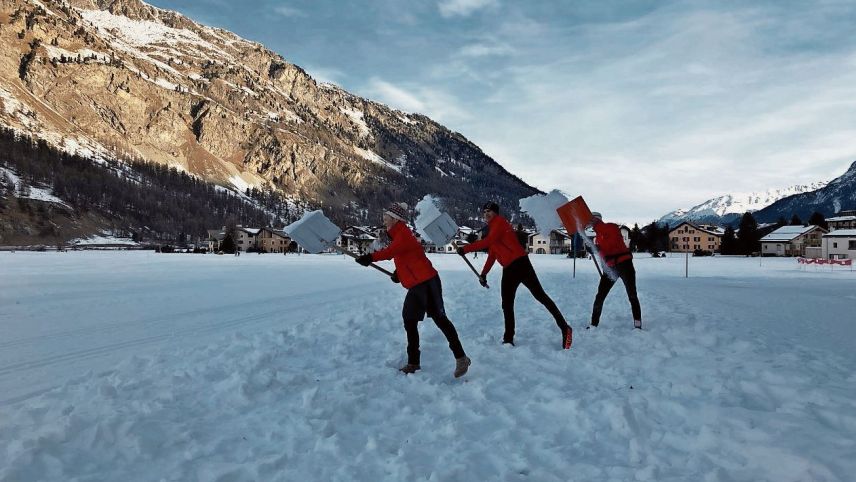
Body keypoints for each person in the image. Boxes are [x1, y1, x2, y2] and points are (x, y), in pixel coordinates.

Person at [356, 202, 471, 378]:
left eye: (386, 216)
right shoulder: (399, 234)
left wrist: (370, 257)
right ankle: (414, 362)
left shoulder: (402, 234)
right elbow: (405, 257)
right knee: (410, 319)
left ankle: (460, 357)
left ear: (395, 219)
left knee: (440, 319)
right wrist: (399, 274)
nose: (383, 219)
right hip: (418, 283)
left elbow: (391, 252)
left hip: (427, 282)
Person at [458, 202, 572, 349]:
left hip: (520, 264)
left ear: (496, 213)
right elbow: (492, 256)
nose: (486, 214)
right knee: (507, 304)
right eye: (484, 211)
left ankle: (565, 328)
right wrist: (484, 274)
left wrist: (466, 249)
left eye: (489, 211)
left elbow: (488, 242)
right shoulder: (491, 230)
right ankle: (508, 338)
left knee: (540, 296)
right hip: (509, 269)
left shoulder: (499, 223)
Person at [588, 212, 642, 329]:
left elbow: (612, 242)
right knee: (600, 296)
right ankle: (593, 324)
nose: (590, 223)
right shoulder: (597, 238)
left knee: (632, 295)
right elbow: (604, 253)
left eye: (592, 220)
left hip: (625, 264)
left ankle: (638, 324)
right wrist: (595, 249)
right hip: (611, 268)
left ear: (597, 219)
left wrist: (598, 226)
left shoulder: (611, 227)